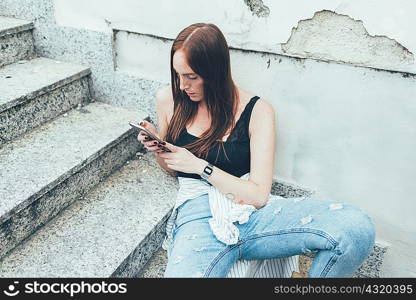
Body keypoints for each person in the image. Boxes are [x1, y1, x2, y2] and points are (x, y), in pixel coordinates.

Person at [136, 23, 375, 278]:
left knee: (356, 229)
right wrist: (160, 149)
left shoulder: (258, 111)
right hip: (197, 213)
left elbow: (259, 196)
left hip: (252, 213)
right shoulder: (168, 99)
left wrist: (199, 166)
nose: (183, 85)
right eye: (178, 75)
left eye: (192, 76)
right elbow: (173, 169)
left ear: (215, 72)